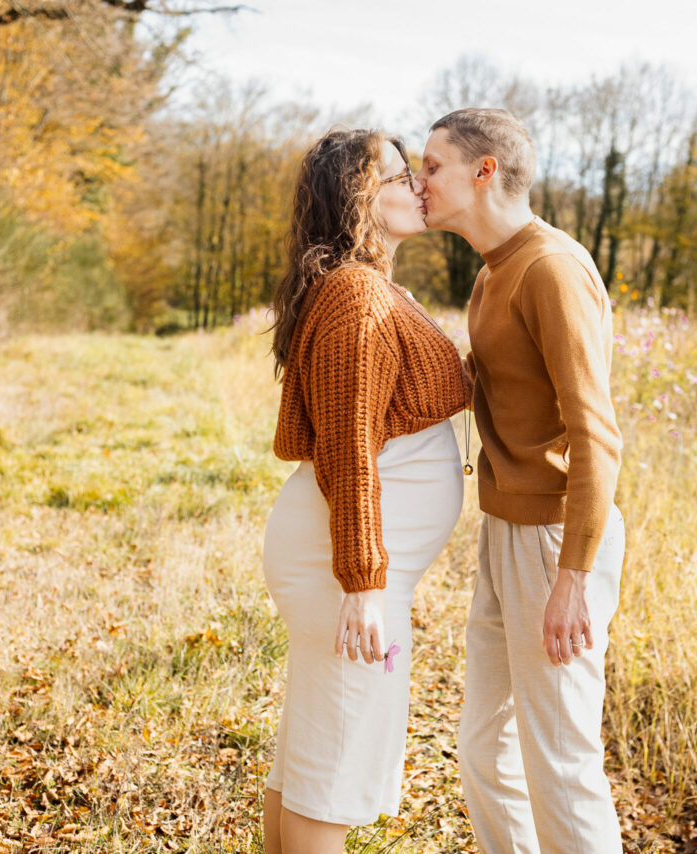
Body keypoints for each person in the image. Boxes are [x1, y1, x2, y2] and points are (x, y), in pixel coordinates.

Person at [417, 108, 626, 853]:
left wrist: (574, 574)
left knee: (562, 765)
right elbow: (492, 388)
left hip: (552, 539)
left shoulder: (550, 268)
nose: (419, 180)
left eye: (433, 165)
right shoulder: (494, 272)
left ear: (485, 171)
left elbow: (596, 431)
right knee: (484, 749)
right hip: (505, 529)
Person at [260, 128, 471, 854]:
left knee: (315, 746)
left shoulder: (367, 285)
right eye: (399, 174)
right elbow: (349, 447)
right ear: (358, 194)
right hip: (343, 566)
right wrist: (363, 582)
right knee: (336, 760)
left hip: (346, 561)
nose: (418, 184)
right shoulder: (355, 295)